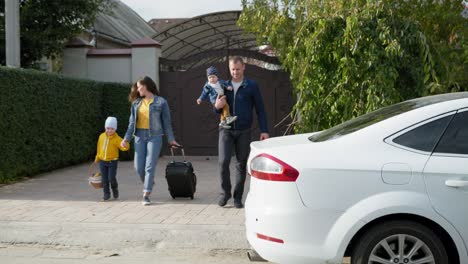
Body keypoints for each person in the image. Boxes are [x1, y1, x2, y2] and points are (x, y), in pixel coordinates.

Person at [214, 56, 269, 209]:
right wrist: (217, 105)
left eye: (238, 69)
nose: (235, 72)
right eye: (232, 69)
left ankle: (238, 197)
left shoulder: (251, 86)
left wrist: (264, 130)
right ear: (229, 69)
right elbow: (216, 108)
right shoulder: (223, 85)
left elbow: (260, 109)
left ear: (243, 67)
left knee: (241, 164)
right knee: (223, 161)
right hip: (225, 129)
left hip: (244, 130)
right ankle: (225, 193)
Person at [120, 76, 180, 206]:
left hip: (155, 136)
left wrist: (171, 139)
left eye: (139, 86)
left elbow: (167, 123)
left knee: (149, 166)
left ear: (146, 86)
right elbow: (131, 124)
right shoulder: (136, 103)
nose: (137, 89)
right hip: (139, 136)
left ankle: (146, 194)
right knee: (138, 167)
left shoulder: (161, 102)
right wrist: (126, 139)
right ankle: (149, 181)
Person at [94, 116, 130, 201]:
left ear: (115, 129)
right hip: (102, 161)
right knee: (104, 179)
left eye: (112, 128)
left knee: (111, 178)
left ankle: (115, 189)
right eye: (108, 128)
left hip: (112, 162)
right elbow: (99, 148)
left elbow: (124, 147)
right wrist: (97, 158)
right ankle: (106, 194)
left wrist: (126, 145)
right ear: (105, 127)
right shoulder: (101, 136)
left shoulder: (117, 139)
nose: (109, 130)